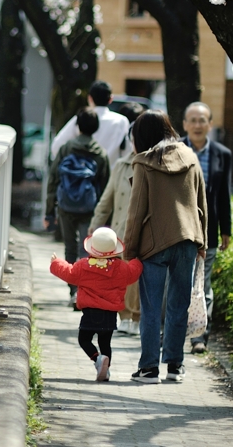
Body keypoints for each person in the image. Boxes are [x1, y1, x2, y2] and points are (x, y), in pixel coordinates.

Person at [123, 110, 208, 384]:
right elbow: (202, 204)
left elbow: (136, 212)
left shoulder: (144, 163)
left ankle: (148, 369)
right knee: (178, 306)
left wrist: (129, 250)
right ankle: (174, 366)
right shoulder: (190, 158)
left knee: (150, 308)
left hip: (153, 244)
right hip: (186, 239)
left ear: (142, 135)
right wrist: (202, 241)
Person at [50, 227, 143, 382]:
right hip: (110, 315)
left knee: (84, 340)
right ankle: (105, 369)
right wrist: (137, 260)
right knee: (105, 343)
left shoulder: (83, 266)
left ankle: (97, 360)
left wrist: (56, 263)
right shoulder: (121, 268)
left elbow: (69, 272)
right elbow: (133, 272)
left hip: (90, 313)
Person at [89, 102, 147, 334]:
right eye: (133, 137)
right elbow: (106, 201)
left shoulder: (153, 166)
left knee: (137, 279)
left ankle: (137, 317)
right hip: (120, 232)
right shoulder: (121, 166)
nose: (136, 142)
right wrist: (94, 228)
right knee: (121, 277)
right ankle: (124, 317)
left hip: (144, 232)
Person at [181, 102, 232, 354]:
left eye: (202, 120)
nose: (198, 125)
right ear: (184, 124)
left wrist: (227, 230)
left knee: (203, 285)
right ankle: (171, 332)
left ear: (210, 124)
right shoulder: (175, 149)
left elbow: (224, 195)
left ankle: (199, 337)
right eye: (193, 120)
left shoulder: (222, 154)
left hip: (208, 232)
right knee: (178, 283)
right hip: (179, 231)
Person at [46, 107, 110, 308]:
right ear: (96, 128)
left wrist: (50, 210)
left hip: (65, 206)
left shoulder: (66, 148)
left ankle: (73, 291)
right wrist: (104, 216)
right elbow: (105, 187)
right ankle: (83, 292)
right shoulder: (100, 153)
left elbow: (53, 179)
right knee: (87, 249)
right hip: (89, 209)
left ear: (77, 126)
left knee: (70, 247)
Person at [49, 81, 131, 164]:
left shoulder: (80, 118)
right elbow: (127, 151)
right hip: (112, 174)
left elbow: (56, 147)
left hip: (84, 173)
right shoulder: (122, 121)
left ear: (89, 98)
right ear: (110, 99)